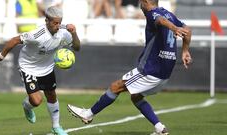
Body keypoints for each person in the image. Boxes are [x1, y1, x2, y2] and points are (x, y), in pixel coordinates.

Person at [67, 0, 192, 135]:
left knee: (116, 87)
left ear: (145, 2)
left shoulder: (152, 14)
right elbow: (188, 30)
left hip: (150, 69)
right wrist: (185, 51)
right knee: (136, 97)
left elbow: (160, 21)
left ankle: (88, 114)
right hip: (165, 71)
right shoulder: (169, 14)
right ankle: (160, 128)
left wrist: (173, 28)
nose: (140, 5)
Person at [0, 6, 80, 135]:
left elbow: (77, 47)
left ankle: (56, 127)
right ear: (47, 21)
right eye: (55, 23)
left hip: (47, 68)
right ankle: (26, 106)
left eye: (59, 23)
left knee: (51, 95)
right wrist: (2, 55)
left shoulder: (63, 33)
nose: (58, 26)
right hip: (28, 68)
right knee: (36, 101)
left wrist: (74, 33)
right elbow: (15, 40)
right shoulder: (36, 34)